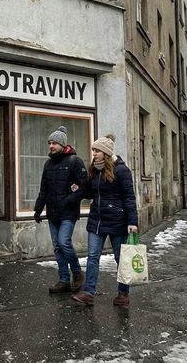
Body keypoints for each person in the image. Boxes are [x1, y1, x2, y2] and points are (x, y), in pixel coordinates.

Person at [72, 134, 138, 307]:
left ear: (106, 153)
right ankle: (88, 293)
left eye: (97, 150)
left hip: (117, 221)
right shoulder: (95, 170)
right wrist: (78, 189)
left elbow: (129, 197)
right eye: (93, 150)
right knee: (92, 257)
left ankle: (123, 294)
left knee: (120, 258)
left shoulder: (121, 170)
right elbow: (90, 192)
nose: (94, 153)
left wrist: (132, 222)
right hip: (97, 220)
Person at [34, 125, 88, 293]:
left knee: (64, 243)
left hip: (68, 212)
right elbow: (43, 189)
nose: (51, 146)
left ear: (63, 144)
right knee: (57, 247)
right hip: (52, 212)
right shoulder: (48, 164)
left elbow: (84, 187)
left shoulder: (75, 161)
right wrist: (38, 209)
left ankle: (77, 272)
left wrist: (69, 200)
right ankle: (63, 279)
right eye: (49, 143)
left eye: (54, 143)